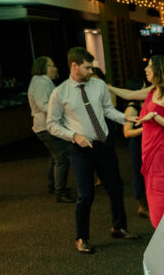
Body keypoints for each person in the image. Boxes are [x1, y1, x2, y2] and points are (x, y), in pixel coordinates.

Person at [46, 47, 139, 254]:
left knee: (115, 188)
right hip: (80, 149)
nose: (91, 71)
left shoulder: (98, 85)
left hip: (103, 144)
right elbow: (51, 124)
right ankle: (81, 238)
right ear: (74, 66)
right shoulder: (59, 93)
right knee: (85, 195)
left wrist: (125, 117)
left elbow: (107, 109)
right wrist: (74, 136)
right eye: (87, 67)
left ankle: (118, 227)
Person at [108, 56, 164, 229]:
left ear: (160, 70)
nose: (146, 69)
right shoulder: (152, 90)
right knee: (152, 189)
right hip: (148, 147)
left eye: (149, 67)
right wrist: (108, 87)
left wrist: (155, 117)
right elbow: (129, 94)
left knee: (163, 189)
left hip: (163, 149)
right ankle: (161, 228)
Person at [28, 56, 73, 203]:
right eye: (52, 65)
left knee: (55, 156)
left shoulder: (40, 82)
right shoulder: (41, 83)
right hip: (46, 126)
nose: (55, 68)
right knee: (62, 157)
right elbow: (43, 105)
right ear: (44, 68)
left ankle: (53, 185)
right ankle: (60, 192)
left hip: (44, 126)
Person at [121, 78, 149, 218]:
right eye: (143, 88)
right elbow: (127, 132)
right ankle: (142, 206)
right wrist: (147, 128)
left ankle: (147, 204)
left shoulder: (141, 104)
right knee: (139, 174)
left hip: (145, 143)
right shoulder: (131, 108)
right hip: (137, 145)